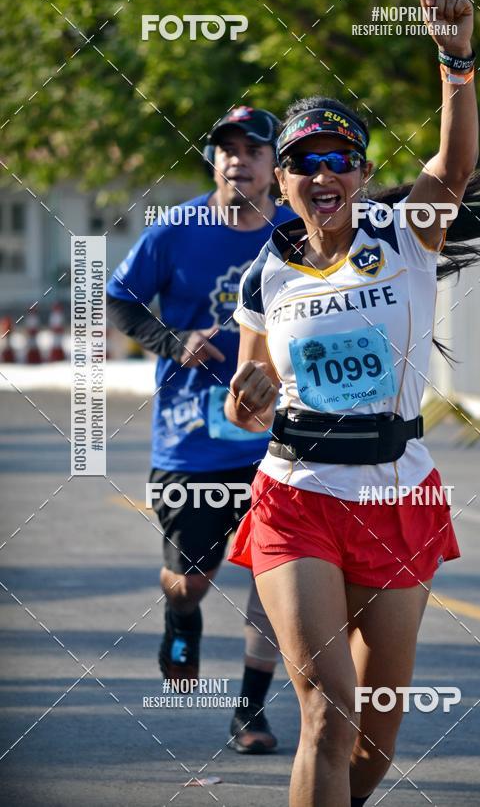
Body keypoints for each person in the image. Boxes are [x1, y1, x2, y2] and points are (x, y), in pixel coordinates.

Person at [224, 0, 480, 804]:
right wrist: (244, 398)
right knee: (327, 716)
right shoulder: (267, 276)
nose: (323, 173)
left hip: (399, 494)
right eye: (304, 161)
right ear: (283, 179)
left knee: (373, 740)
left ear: (362, 172)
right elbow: (246, 397)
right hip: (297, 496)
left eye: (340, 158)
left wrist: (456, 60)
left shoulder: (405, 236)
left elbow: (455, 164)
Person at [106, 105, 294, 753]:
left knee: (274, 577)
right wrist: (171, 339)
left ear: (275, 164)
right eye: (227, 148)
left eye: (253, 149)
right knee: (190, 579)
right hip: (191, 439)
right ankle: (179, 617)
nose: (238, 159)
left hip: (280, 441)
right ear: (213, 159)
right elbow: (118, 299)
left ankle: (249, 712)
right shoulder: (175, 230)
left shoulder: (299, 233)